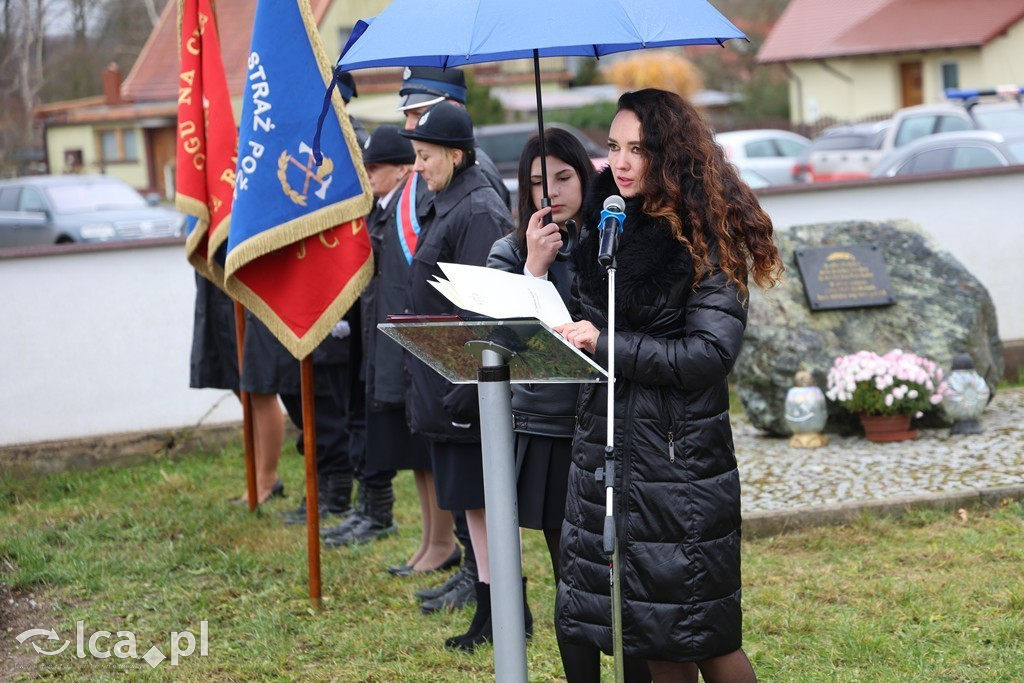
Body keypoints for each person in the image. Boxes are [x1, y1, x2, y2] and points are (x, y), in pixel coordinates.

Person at [554, 89, 783, 683]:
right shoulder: (608, 227)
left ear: (671, 154)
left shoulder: (707, 240)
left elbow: (709, 354)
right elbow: (591, 322)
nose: (621, 163)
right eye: (613, 147)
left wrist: (606, 344)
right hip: (612, 456)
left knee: (704, 635)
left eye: (638, 149)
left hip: (678, 468)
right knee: (655, 634)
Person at [487, 128, 632, 679]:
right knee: (571, 575)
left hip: (612, 419)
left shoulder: (611, 237)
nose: (551, 193)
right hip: (549, 427)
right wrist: (535, 269)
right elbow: (504, 341)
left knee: (627, 574)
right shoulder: (509, 251)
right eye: (537, 183)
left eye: (564, 177)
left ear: (586, 176)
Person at [398, 102, 519, 652]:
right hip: (444, 380)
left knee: (485, 500)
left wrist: (469, 383)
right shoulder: (447, 200)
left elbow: (482, 306)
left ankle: (507, 610)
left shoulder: (479, 208)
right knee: (471, 501)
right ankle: (492, 610)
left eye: (425, 156)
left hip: (467, 385)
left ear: (455, 154)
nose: (418, 166)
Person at [322, 125, 459, 569]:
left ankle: (443, 543)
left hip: (411, 346)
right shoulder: (384, 209)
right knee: (412, 451)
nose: (368, 173)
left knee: (426, 451)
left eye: (375, 166)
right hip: (387, 346)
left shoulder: (412, 206)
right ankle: (431, 540)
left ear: (402, 170)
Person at [397, 66, 510, 208]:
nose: (408, 126)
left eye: (418, 114)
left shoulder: (478, 172)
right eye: (407, 116)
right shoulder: (435, 167)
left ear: (453, 107)